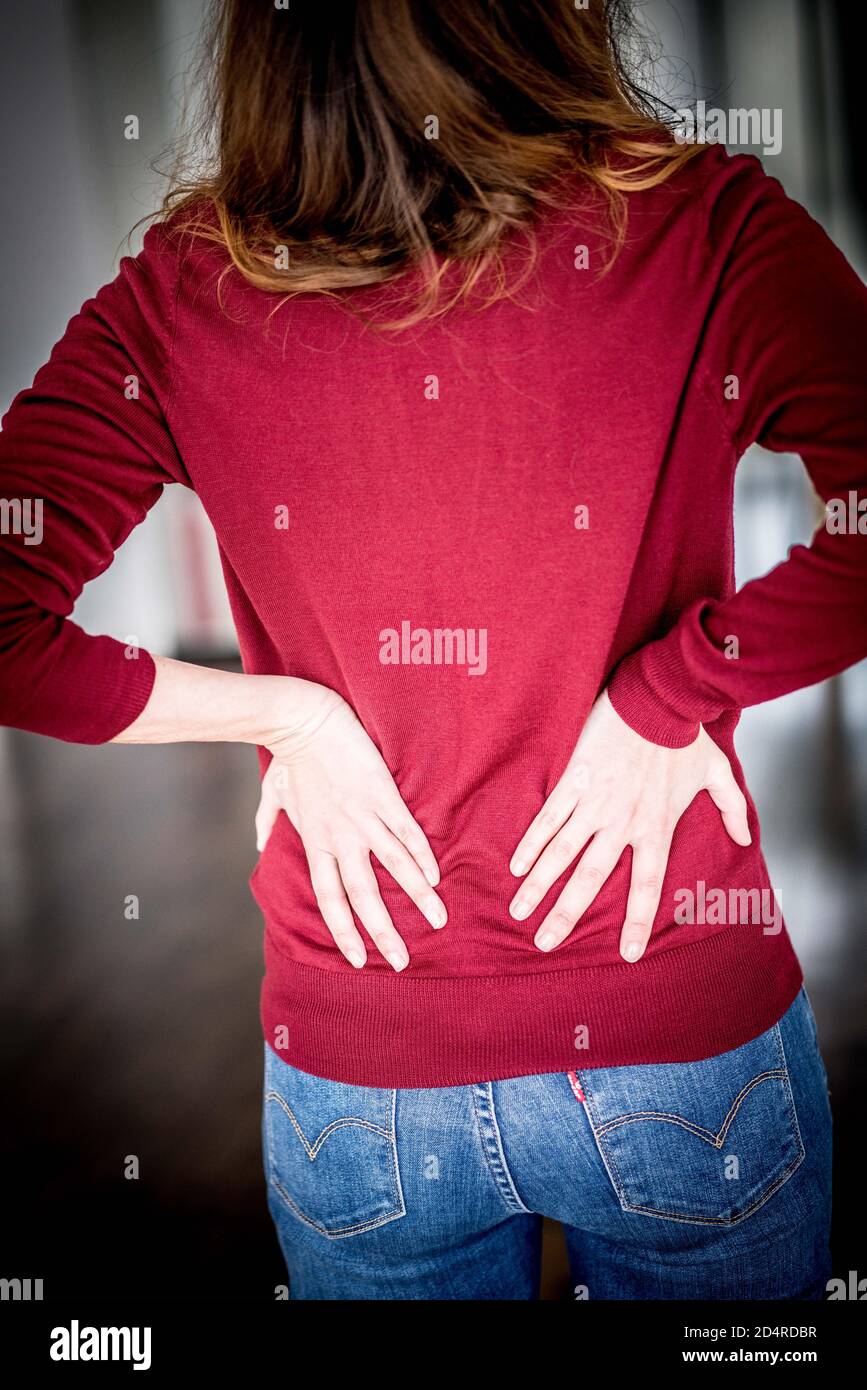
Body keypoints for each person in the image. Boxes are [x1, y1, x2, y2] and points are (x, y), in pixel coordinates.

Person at [1, 0, 864, 1300]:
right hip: (678, 1042)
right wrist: (673, 691)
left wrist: (284, 717)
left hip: (364, 1082)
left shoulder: (185, 287)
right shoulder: (700, 224)